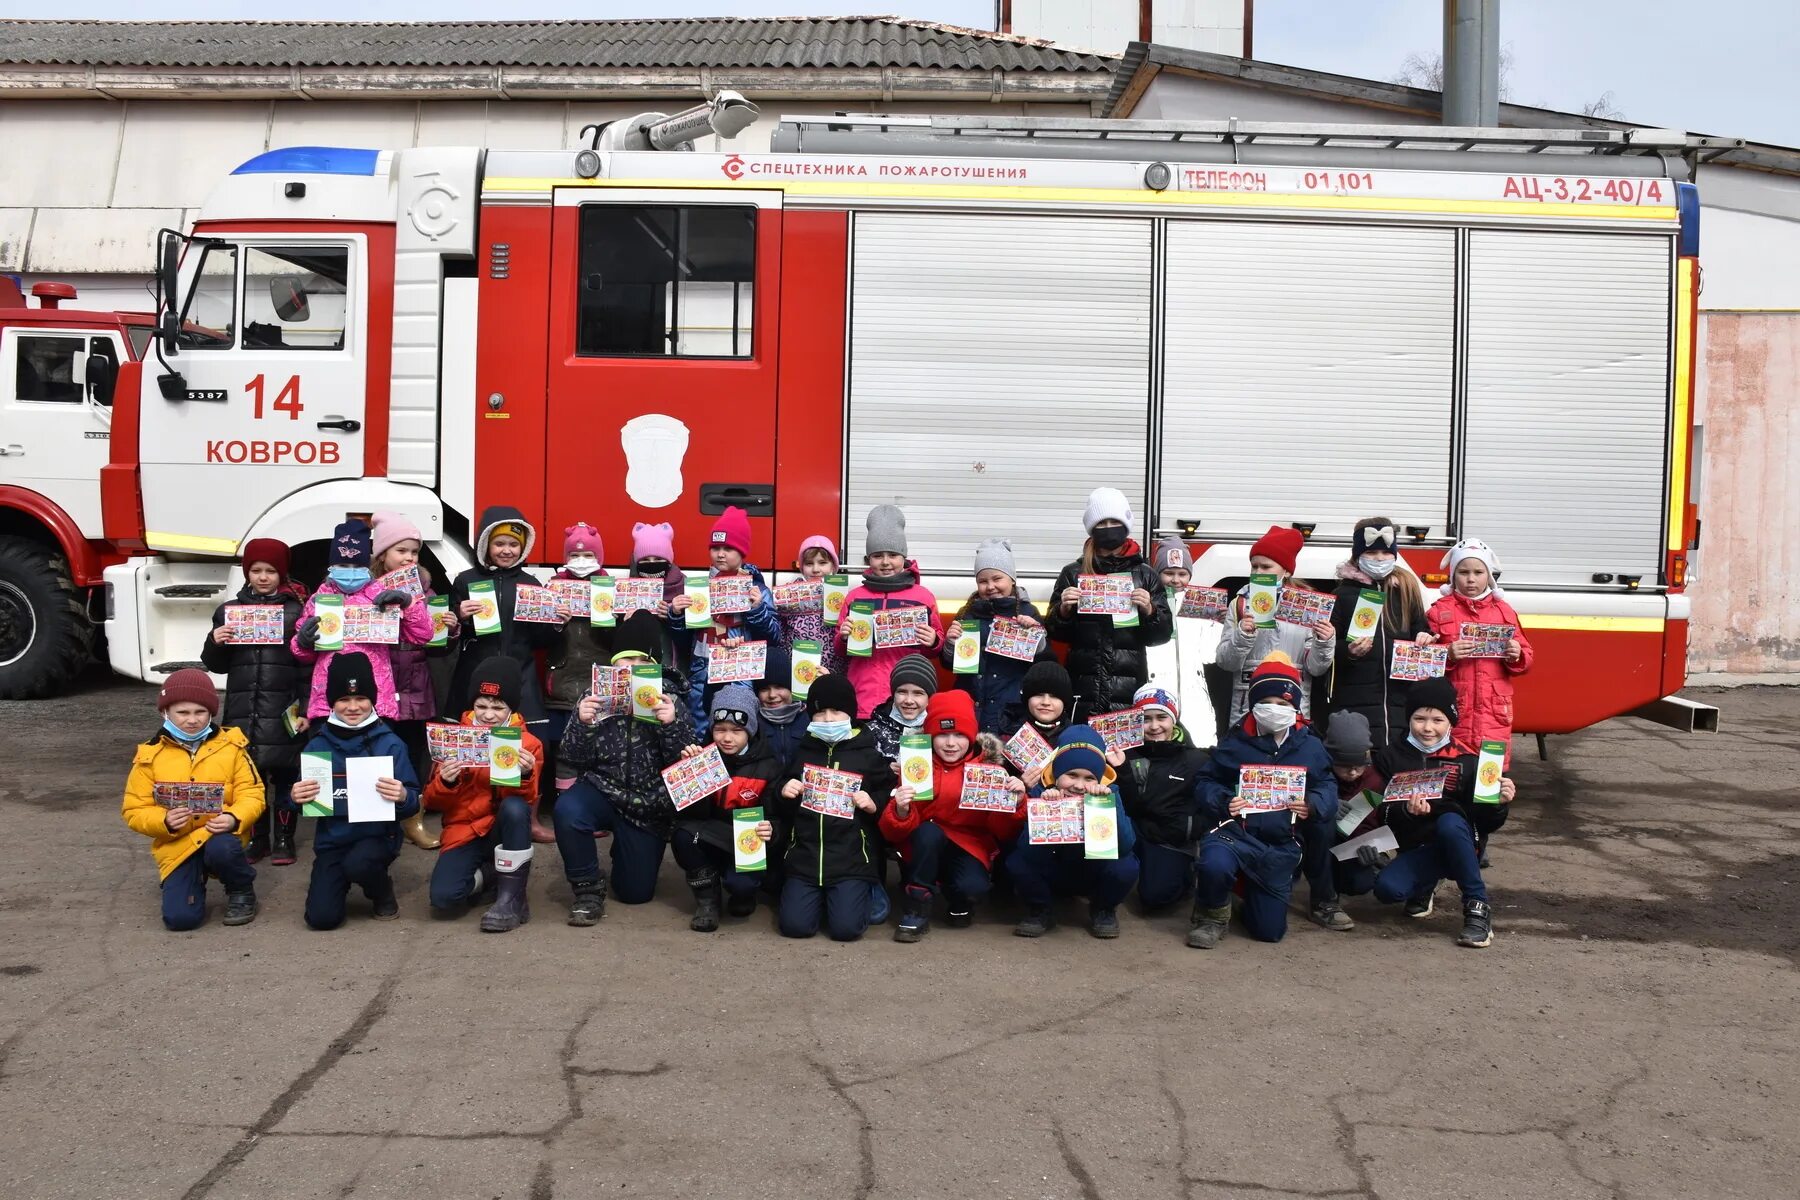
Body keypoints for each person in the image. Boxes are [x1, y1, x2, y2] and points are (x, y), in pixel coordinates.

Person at [553, 611, 695, 923]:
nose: (630, 669)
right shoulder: (593, 696)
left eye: (640, 661)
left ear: (654, 665)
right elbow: (572, 758)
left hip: (648, 806)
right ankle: (587, 890)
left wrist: (670, 725)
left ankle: (626, 851)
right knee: (568, 809)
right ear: (612, 665)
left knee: (635, 894)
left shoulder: (672, 700)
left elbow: (683, 766)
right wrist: (582, 723)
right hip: (602, 790)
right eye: (623, 661)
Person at [1188, 652, 1336, 948]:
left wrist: (1313, 803)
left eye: (1282, 704)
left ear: (1294, 707)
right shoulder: (1234, 742)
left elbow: (1327, 784)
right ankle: (1211, 917)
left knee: (1269, 932)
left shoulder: (1310, 745)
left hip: (1280, 843)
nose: (1273, 709)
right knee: (1214, 863)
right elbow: (1205, 781)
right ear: (1251, 704)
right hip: (1234, 834)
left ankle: (1248, 897)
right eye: (1265, 703)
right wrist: (1224, 800)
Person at [1363, 678, 1515, 948]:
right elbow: (1380, 811)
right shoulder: (1388, 757)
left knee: (1449, 822)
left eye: (1437, 719)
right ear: (1409, 718)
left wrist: (1499, 803)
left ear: (1450, 722)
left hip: (1460, 840)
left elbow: (1486, 822)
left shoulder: (1470, 760)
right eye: (1420, 718)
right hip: (1415, 845)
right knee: (1387, 890)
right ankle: (1424, 885)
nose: (1428, 728)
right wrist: (1406, 812)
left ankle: (1477, 907)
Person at [120, 670, 265, 930]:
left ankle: (241, 889)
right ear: (165, 713)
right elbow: (134, 809)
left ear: (211, 713)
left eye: (200, 712)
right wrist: (163, 820)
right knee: (180, 919)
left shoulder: (232, 748)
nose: (192, 721)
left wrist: (234, 818)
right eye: (182, 713)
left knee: (223, 849)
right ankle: (189, 879)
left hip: (218, 837)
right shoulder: (149, 755)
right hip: (178, 844)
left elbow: (253, 793)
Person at [880, 690, 1025, 941]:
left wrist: (1015, 802)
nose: (950, 743)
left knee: (973, 888)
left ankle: (958, 896)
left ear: (971, 736)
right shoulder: (917, 766)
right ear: (930, 736)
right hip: (924, 845)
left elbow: (1003, 832)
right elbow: (892, 833)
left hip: (968, 845)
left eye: (959, 735)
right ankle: (917, 905)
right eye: (942, 734)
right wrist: (900, 810)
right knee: (928, 832)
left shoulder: (988, 770)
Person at [293, 652, 422, 931]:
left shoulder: (391, 744)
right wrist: (296, 799)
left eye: (361, 698)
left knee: (360, 864)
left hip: (376, 838)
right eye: (343, 699)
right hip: (332, 842)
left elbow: (412, 800)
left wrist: (403, 796)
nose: (353, 707)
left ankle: (381, 890)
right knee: (321, 919)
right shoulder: (317, 746)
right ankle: (336, 886)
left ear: (373, 699)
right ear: (331, 703)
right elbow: (303, 803)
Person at [200, 536, 307, 865]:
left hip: (284, 711)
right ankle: (258, 839)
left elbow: (307, 666)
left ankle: (285, 840)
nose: (263, 577)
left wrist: (305, 707)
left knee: (288, 779)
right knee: (251, 780)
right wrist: (215, 642)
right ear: (247, 573)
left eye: (271, 571)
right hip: (243, 713)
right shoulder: (228, 612)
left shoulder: (297, 612)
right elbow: (216, 665)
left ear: (282, 574)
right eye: (256, 570)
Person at [423, 658, 544, 933]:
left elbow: (527, 801)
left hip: (504, 828)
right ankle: (492, 875)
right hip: (464, 829)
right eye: (481, 706)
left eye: (498, 707)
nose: (489, 715)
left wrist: (525, 776)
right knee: (444, 898)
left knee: (515, 808)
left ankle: (513, 898)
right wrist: (445, 781)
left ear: (511, 707)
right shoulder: (452, 738)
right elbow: (431, 801)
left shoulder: (529, 744)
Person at [772, 672, 894, 941]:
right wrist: (784, 790)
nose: (827, 719)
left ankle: (867, 890)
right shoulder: (803, 749)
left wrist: (874, 803)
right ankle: (822, 900)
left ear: (849, 713)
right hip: (805, 857)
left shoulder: (867, 752)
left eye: (836, 711)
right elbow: (778, 788)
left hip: (851, 859)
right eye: (820, 712)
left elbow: (889, 788)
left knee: (846, 930)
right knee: (795, 927)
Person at [292, 518, 436, 729]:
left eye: (356, 566)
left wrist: (408, 604)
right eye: (342, 565)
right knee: (332, 759)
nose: (350, 571)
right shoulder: (319, 599)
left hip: (376, 700)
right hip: (327, 702)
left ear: (366, 566)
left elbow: (423, 635)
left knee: (376, 759)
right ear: (331, 567)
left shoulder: (381, 594)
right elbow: (302, 654)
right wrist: (302, 643)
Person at [1045, 488, 1173, 720]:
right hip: (1082, 686)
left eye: (1115, 521)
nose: (1108, 528)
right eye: (1101, 523)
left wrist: (1150, 610)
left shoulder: (1145, 574)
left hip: (1129, 685)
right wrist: (1062, 610)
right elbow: (1055, 632)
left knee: (1123, 754)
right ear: (1092, 528)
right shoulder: (1073, 573)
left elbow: (1162, 635)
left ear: (1126, 524)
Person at [1006, 725, 1139, 939]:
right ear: (1057, 775)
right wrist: (1046, 810)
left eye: (1089, 778)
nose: (1079, 785)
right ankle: (1040, 909)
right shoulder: (1042, 792)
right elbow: (1026, 852)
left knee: (1126, 865)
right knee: (1017, 862)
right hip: (1054, 870)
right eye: (1071, 775)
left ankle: (1103, 909)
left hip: (1092, 872)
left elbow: (1125, 846)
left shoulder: (1109, 793)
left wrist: (1107, 805)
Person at [369, 509, 451, 851]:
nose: (408, 558)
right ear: (382, 555)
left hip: (416, 683)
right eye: (401, 550)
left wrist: (450, 625)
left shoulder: (425, 590)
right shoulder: (367, 590)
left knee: (414, 750)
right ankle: (380, 819)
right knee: (381, 748)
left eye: (414, 552)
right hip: (383, 684)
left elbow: (435, 640)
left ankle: (412, 818)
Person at [671, 684, 782, 932]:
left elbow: (778, 816)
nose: (727, 738)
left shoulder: (768, 765)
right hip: (711, 832)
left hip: (747, 841)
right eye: (720, 729)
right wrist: (689, 773)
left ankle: (744, 892)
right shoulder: (702, 757)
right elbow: (688, 814)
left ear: (750, 731)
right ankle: (707, 899)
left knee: (741, 885)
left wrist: (772, 829)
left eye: (736, 731)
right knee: (682, 835)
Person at [447, 506, 560, 727]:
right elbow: (445, 637)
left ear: (523, 547)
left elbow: (541, 641)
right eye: (499, 544)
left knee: (524, 744)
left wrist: (557, 624)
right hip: (473, 675)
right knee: (472, 742)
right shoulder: (465, 580)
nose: (506, 551)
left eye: (514, 544)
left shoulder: (531, 585)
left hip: (521, 676)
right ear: (485, 544)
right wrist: (459, 616)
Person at [668, 506, 779, 732]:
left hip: (740, 673)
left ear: (742, 552)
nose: (720, 554)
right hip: (702, 671)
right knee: (700, 730)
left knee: (736, 730)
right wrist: (677, 615)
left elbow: (774, 637)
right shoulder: (698, 589)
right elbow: (684, 642)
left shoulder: (757, 589)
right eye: (715, 547)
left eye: (728, 548)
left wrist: (756, 609)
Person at [1326, 517, 1434, 746]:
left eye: (1385, 553)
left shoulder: (1406, 591)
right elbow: (1326, 648)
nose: (1379, 559)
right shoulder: (1342, 595)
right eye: (1372, 553)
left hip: (1400, 700)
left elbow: (1421, 629)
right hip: (1356, 700)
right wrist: (1349, 652)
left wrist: (1424, 637)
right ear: (1357, 556)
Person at [1427, 539, 1535, 765]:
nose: (1470, 579)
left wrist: (1517, 654)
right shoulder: (1439, 611)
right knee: (1451, 781)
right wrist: (1447, 654)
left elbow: (1527, 657)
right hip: (1453, 710)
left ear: (1489, 576)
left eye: (1478, 572)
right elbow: (1421, 662)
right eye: (1463, 572)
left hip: (1494, 715)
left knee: (1489, 785)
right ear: (1453, 575)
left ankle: (1490, 801)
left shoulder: (1504, 611)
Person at [1214, 524, 1334, 725]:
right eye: (1254, 566)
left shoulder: (1307, 606)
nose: (1258, 572)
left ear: (1286, 570)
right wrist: (1242, 636)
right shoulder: (1240, 604)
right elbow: (1226, 662)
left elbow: (1316, 668)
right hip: (1247, 706)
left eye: (1266, 567)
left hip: (1292, 703)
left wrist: (1324, 641)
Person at [835, 504, 943, 720]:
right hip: (862, 695)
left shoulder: (923, 596)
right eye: (877, 555)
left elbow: (935, 649)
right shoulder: (854, 596)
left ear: (904, 557)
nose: (885, 562)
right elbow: (840, 649)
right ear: (868, 559)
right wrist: (844, 637)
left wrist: (933, 641)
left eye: (893, 555)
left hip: (906, 700)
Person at [941, 537, 1054, 734]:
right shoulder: (966, 613)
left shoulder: (1028, 612)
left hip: (1011, 711)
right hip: (971, 707)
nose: (990, 586)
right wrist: (950, 644)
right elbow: (951, 664)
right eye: (983, 581)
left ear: (1012, 579)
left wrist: (1037, 638)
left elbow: (1046, 663)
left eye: (997, 579)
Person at [543, 522, 612, 837]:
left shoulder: (611, 587)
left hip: (599, 686)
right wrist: (552, 622)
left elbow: (622, 643)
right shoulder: (552, 587)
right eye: (575, 554)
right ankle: (565, 809)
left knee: (597, 750)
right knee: (564, 752)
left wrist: (613, 619)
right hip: (561, 685)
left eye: (587, 554)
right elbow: (536, 637)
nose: (581, 559)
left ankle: (593, 812)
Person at [1113, 684, 1207, 912]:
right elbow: (1128, 805)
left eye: (1161, 717)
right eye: (1146, 719)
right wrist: (1122, 770)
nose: (1154, 726)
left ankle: (1185, 873)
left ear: (1174, 719)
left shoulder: (1196, 759)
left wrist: (1189, 829)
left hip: (1168, 837)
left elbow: (1208, 806)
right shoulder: (1122, 753)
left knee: (1156, 897)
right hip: (1135, 830)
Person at [1301, 710, 1377, 930]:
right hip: (1315, 845)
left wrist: (1368, 846)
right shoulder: (1316, 772)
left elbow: (1371, 821)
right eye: (1344, 766)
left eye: (1359, 766)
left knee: (1363, 882)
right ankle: (1324, 899)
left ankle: (1339, 884)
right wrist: (1325, 805)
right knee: (1320, 825)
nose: (1353, 772)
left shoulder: (1374, 779)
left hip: (1349, 846)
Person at [774, 534, 847, 675]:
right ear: (802, 567)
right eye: (809, 563)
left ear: (833, 566)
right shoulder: (789, 594)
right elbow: (780, 633)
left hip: (832, 668)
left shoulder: (841, 595)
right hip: (797, 667)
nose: (815, 569)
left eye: (822, 563)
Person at [865, 653, 939, 762]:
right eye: (902, 692)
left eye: (918, 693)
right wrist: (884, 770)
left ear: (929, 697)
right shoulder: (870, 731)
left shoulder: (938, 731)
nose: (909, 700)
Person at [753, 643, 807, 773]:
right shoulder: (752, 722)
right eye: (764, 689)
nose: (772, 695)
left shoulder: (810, 718)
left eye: (779, 687)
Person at [1015, 660, 1075, 745]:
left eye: (1054, 696)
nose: (1046, 702)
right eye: (1038, 695)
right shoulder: (1007, 735)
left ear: (1065, 702)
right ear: (1026, 699)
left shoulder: (1076, 740)